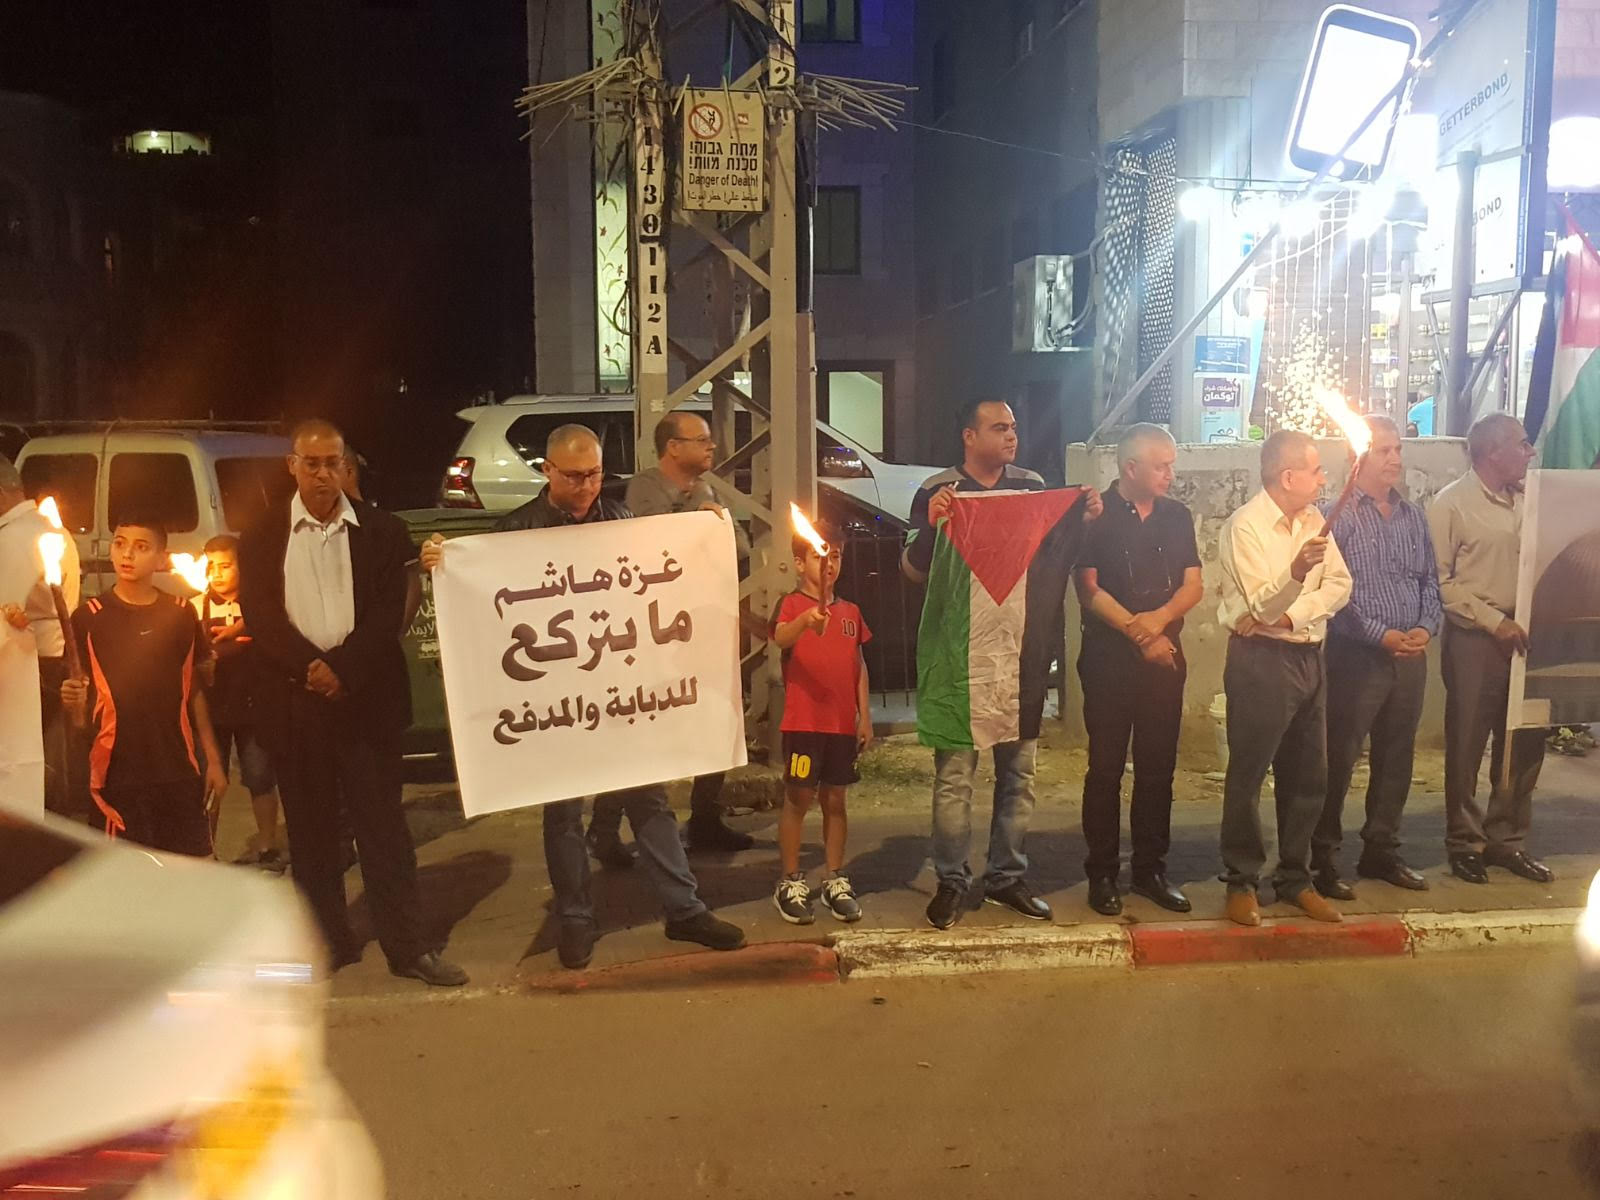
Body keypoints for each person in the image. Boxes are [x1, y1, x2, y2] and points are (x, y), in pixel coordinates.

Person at [419, 424, 746, 970]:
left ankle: (684, 909)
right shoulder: (515, 531)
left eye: (595, 474)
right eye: (574, 477)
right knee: (564, 811)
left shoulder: (618, 518)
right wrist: (441, 563)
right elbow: (480, 606)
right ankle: (575, 917)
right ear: (548, 471)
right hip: (556, 708)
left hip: (619, 695)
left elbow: (657, 578)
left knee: (649, 797)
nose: (588, 486)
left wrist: (705, 531)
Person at [240, 419, 466, 987]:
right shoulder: (262, 534)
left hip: (366, 703)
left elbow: (391, 611)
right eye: (312, 463)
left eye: (333, 463)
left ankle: (408, 948)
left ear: (346, 466)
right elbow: (260, 615)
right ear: (292, 466)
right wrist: (310, 668)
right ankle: (328, 942)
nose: (323, 474)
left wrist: (341, 669)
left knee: (384, 832)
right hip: (296, 706)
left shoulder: (383, 531)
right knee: (311, 836)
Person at [901, 398, 1103, 930]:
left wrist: (1083, 519)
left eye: (1014, 426)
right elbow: (913, 570)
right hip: (959, 657)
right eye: (999, 427)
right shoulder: (938, 489)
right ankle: (951, 879)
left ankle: (1006, 877)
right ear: (969, 437)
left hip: (1022, 653)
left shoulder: (1032, 488)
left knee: (1019, 776)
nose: (1011, 435)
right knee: (955, 779)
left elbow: (1057, 556)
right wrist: (934, 525)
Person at [586, 409, 754, 864]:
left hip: (699, 628)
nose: (711, 446)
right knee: (642, 735)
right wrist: (697, 521)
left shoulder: (706, 489)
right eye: (701, 439)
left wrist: (712, 519)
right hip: (653, 634)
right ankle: (604, 829)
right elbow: (652, 547)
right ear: (673, 448)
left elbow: (739, 547)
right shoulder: (645, 488)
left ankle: (705, 818)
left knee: (716, 722)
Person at [1216, 430, 1352, 927]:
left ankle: (1295, 877)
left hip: (1309, 655)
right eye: (1315, 470)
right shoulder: (1245, 526)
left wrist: (1296, 616)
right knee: (1250, 774)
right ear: (1288, 476)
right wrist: (1294, 575)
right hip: (1262, 660)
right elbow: (1260, 607)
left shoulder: (1315, 520)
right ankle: (1241, 881)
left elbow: (1340, 585)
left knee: (1308, 775)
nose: (1323, 479)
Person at [1073, 424, 1202, 916]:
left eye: (1171, 465)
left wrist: (1159, 622)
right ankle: (1102, 872)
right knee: (1105, 769)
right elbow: (1088, 589)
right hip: (1109, 659)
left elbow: (1193, 584)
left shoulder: (1176, 516)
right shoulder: (1096, 516)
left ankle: (1150, 869)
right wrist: (1140, 634)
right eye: (1161, 466)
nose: (1170, 474)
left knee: (1157, 769)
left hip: (1165, 657)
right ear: (1131, 468)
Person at [1312, 417, 1442, 898]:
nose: (1395, 459)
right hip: (1356, 657)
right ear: (1358, 458)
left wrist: (1425, 626)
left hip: (1409, 656)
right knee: (1340, 756)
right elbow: (1333, 594)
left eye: (1397, 449)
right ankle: (1323, 856)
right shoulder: (1336, 516)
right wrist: (1378, 634)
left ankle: (1381, 849)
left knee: (1396, 755)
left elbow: (1430, 580)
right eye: (1384, 450)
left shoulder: (1413, 517)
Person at [59, 515, 229, 854]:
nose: (127, 554)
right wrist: (72, 700)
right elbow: (79, 705)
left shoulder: (181, 613)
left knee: (185, 867)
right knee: (125, 872)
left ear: (161, 558)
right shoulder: (89, 616)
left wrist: (212, 759)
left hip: (177, 766)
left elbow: (193, 691)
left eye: (141, 547)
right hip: (116, 772)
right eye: (120, 544)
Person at [1428, 412, 1550, 885]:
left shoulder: (1531, 500)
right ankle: (1465, 841)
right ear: (1493, 452)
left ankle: (1507, 839)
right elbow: (1440, 581)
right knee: (1467, 742)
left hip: (1531, 635)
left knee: (1525, 740)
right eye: (1523, 443)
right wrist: (1494, 621)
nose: (1531, 452)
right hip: (1477, 638)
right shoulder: (1451, 504)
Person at [769, 520, 872, 924]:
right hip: (804, 724)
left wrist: (864, 717)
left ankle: (834, 878)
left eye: (836, 555)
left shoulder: (851, 612)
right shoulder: (792, 605)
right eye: (818, 555)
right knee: (798, 798)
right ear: (800, 562)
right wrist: (806, 622)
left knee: (835, 801)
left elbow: (858, 665)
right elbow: (780, 637)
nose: (829, 563)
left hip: (840, 726)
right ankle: (790, 880)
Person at [196, 535, 285, 870]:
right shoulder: (196, 606)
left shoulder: (257, 606)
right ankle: (206, 849)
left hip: (253, 705)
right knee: (210, 780)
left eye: (226, 565)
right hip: (212, 708)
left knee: (260, 775)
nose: (217, 573)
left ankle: (267, 846)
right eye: (212, 566)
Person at [0, 455, 81, 818]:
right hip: (56, 656)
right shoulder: (53, 529)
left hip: (31, 665)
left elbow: (6, 607)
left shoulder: (14, 538)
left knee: (31, 757)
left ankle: (42, 827)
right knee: (50, 753)